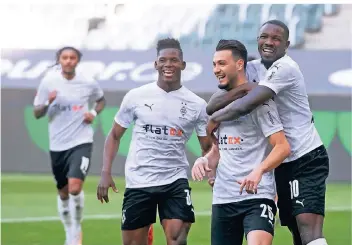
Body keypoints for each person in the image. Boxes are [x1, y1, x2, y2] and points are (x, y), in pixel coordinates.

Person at [206, 20, 329, 245]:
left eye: (276, 39)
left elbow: (244, 106)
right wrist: (243, 88)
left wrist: (215, 119)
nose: (269, 42)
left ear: (287, 44)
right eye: (264, 37)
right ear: (258, 39)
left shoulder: (286, 67)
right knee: (295, 229)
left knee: (307, 226)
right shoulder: (252, 68)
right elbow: (213, 102)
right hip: (280, 162)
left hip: (305, 156)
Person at [96, 38, 212, 245]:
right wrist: (105, 172)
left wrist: (212, 172)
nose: (168, 64)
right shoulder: (136, 96)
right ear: (155, 64)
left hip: (174, 181)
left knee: (178, 239)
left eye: (174, 60)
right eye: (163, 60)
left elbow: (207, 146)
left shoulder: (197, 104)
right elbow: (114, 135)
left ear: (183, 65)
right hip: (139, 181)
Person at [191, 39, 291, 245]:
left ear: (239, 65)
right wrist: (204, 160)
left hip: (257, 194)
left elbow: (282, 147)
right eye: (214, 64)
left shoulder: (260, 102)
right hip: (224, 197)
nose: (216, 69)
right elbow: (219, 149)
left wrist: (258, 171)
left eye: (221, 64)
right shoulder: (220, 105)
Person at [33, 47, 105, 245]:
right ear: (59, 60)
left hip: (81, 141)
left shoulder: (87, 81)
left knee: (75, 188)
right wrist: (49, 102)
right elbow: (37, 113)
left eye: (72, 58)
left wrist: (94, 113)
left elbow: (100, 100)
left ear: (77, 61)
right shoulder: (49, 82)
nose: (68, 61)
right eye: (65, 57)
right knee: (63, 192)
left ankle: (76, 230)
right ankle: (68, 230)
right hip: (57, 144)